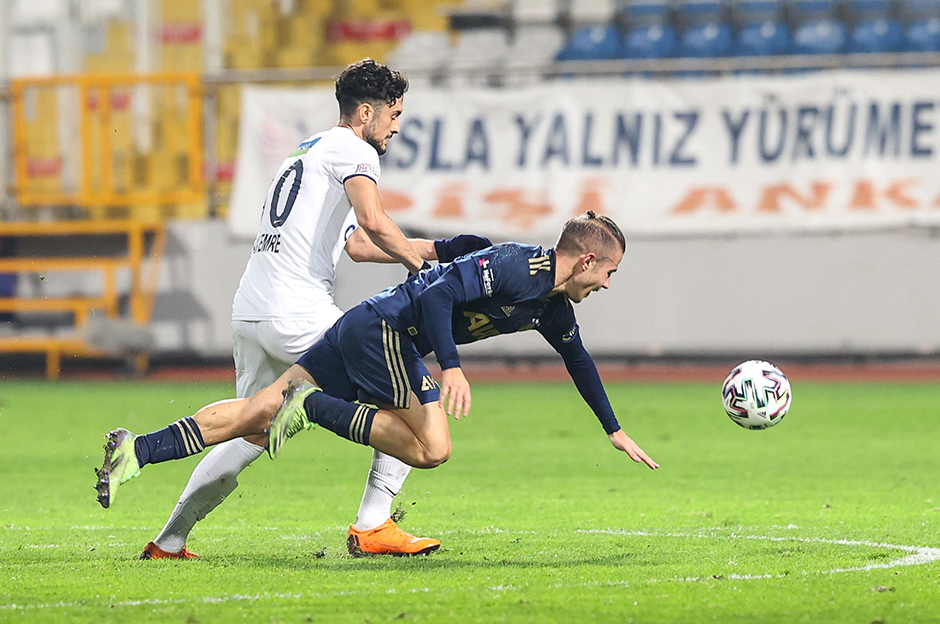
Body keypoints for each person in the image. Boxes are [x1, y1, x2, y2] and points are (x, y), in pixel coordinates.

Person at [94, 212, 660, 555]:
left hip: (366, 326)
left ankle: (135, 451)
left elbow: (579, 360)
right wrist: (451, 365)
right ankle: (313, 410)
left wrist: (613, 429)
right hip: (387, 331)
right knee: (432, 447)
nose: (608, 284)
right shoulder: (516, 265)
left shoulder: (553, 307)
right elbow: (438, 293)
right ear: (587, 260)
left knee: (259, 412)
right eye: (610, 272)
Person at [116, 58, 490, 560]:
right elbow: (374, 220)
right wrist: (420, 268)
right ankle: (373, 524)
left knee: (250, 427)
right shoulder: (356, 150)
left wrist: (438, 250)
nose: (397, 126)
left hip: (252, 310)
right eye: (394, 114)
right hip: (299, 312)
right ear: (366, 112)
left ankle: (165, 529)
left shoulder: (309, 150)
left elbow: (357, 244)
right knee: (404, 386)